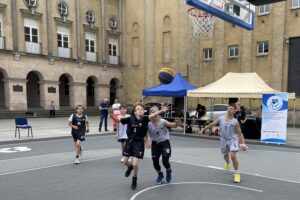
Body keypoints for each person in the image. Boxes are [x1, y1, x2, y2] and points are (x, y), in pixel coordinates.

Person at [109, 102, 169, 190]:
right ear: (134, 112)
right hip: (129, 142)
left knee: (135, 163)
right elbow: (118, 121)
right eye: (138, 109)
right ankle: (129, 167)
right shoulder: (130, 118)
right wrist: (111, 115)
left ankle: (134, 178)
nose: (140, 111)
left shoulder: (145, 118)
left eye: (141, 109)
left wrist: (161, 110)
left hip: (139, 143)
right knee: (125, 161)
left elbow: (152, 115)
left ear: (143, 111)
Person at [199, 104, 248, 183]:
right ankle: (227, 162)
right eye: (228, 109)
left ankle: (237, 174)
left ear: (235, 111)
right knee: (225, 156)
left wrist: (243, 143)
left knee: (233, 156)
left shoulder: (235, 122)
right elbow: (212, 124)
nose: (229, 110)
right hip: (223, 139)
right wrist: (203, 130)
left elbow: (240, 133)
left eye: (231, 109)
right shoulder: (221, 118)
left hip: (233, 140)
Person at [147, 106, 181, 184]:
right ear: (150, 114)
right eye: (153, 112)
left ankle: (168, 170)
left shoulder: (163, 121)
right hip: (155, 144)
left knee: (165, 160)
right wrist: (147, 141)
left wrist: (176, 124)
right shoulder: (148, 124)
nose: (155, 114)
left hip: (164, 142)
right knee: (155, 162)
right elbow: (145, 134)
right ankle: (160, 174)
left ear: (159, 114)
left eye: (156, 112)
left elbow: (172, 125)